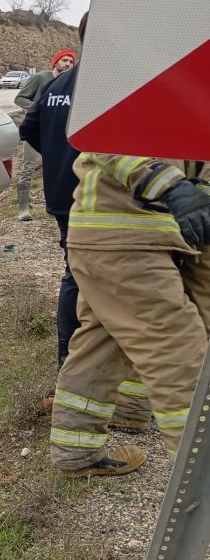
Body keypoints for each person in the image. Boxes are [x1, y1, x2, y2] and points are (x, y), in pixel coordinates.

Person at [20, 13, 151, 431]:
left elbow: (30, 129)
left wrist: (60, 159)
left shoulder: (59, 85)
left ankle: (69, 359)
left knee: (74, 274)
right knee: (104, 282)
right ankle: (96, 375)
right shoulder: (110, 85)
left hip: (63, 195)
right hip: (100, 201)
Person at [49, 156, 210, 477]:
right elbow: (105, 137)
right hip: (124, 232)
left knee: (103, 342)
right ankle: (199, 486)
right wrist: (172, 185)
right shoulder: (118, 104)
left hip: (125, 232)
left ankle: (78, 450)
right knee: (178, 350)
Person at [13, 49, 77, 221]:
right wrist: (40, 108)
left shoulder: (72, 83)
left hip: (60, 134)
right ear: (55, 62)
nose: (68, 64)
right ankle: (23, 209)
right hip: (37, 130)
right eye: (64, 60)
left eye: (71, 62)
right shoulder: (41, 78)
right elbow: (19, 99)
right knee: (28, 169)